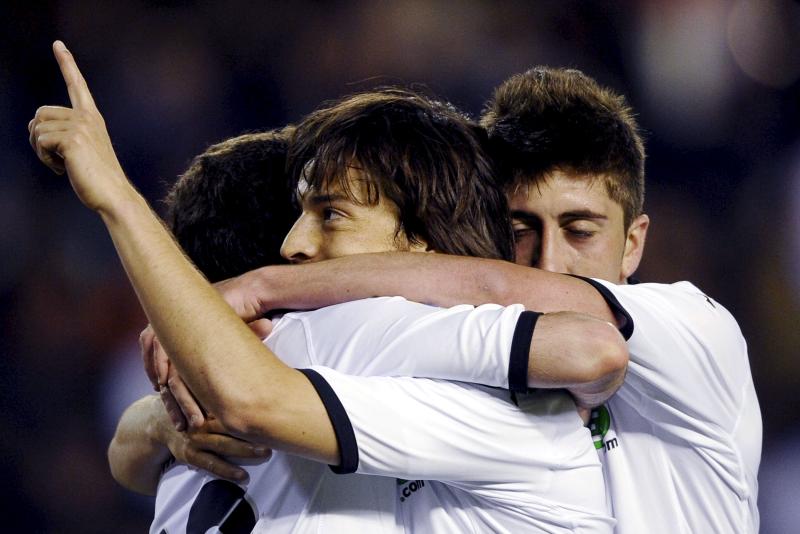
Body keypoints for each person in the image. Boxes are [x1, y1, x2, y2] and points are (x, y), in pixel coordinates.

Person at [32, 43, 617, 533]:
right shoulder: (338, 342)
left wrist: (117, 196)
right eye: (298, 214)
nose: (294, 246)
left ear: (422, 240)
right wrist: (163, 418)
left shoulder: (346, 335)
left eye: (331, 215)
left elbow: (594, 348)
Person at [208, 67, 762, 533]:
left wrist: (260, 287)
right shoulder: (464, 359)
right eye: (520, 230)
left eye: (580, 231)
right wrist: (168, 422)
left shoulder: (696, 328)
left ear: (633, 243)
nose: (548, 262)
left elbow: (501, 290)